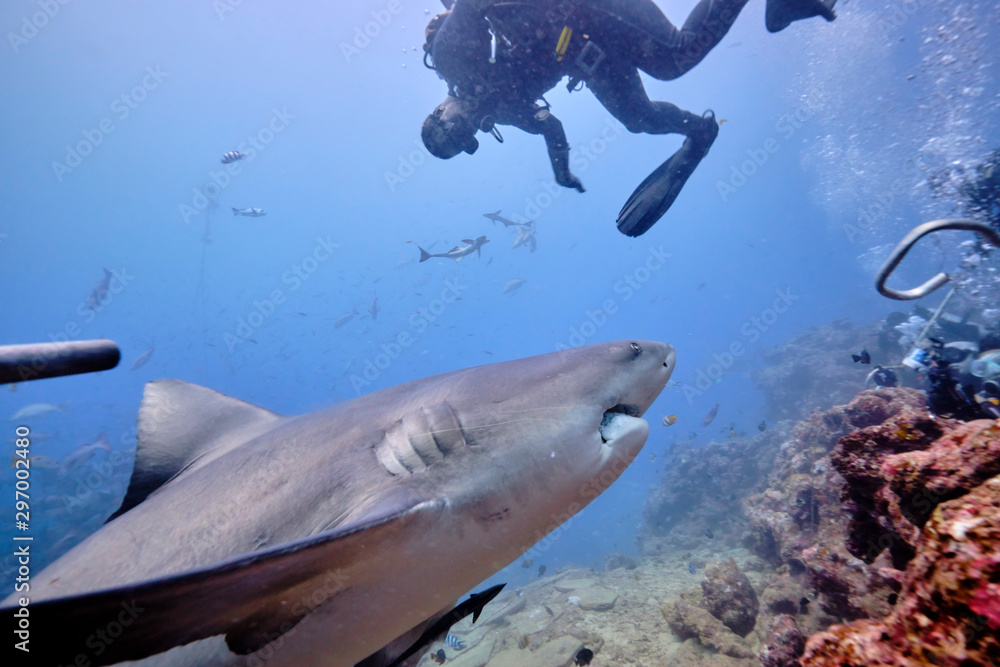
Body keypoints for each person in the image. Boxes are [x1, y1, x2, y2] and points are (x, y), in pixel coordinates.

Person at [421, 0, 838, 236]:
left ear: (440, 109)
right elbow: (551, 126)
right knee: (639, 119)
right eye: (466, 139)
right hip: (587, 54)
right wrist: (561, 172)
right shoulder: (501, 111)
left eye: (454, 126)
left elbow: (472, 5)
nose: (468, 127)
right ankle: (701, 131)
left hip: (581, 8)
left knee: (675, 56)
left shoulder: (451, 58)